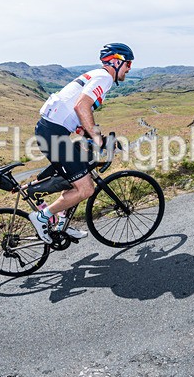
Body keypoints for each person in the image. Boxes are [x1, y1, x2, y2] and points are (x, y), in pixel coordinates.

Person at [29, 43, 134, 243]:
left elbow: (78, 117)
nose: (129, 68)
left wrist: (97, 138)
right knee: (86, 189)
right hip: (53, 134)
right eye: (128, 63)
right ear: (116, 62)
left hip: (53, 131)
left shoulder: (97, 76)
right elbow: (81, 106)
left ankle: (61, 226)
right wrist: (96, 138)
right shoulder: (104, 77)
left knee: (78, 176)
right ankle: (41, 218)